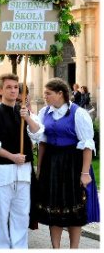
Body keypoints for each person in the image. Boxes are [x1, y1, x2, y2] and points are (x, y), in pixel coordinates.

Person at [33, 78, 98, 248]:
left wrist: (84, 173)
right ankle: (56, 248)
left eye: (48, 93)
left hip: (72, 164)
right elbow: (42, 143)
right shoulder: (44, 113)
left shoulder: (78, 113)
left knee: (73, 209)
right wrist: (39, 168)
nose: (44, 96)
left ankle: (74, 248)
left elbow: (87, 145)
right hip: (51, 164)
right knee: (53, 209)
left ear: (60, 93)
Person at [0, 73, 42, 249]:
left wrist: (28, 117)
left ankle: (19, 248)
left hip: (23, 171)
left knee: (21, 214)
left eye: (16, 87)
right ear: (0, 90)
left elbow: (37, 133)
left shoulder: (23, 111)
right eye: (9, 87)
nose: (13, 90)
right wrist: (12, 157)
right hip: (2, 171)